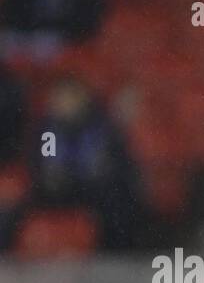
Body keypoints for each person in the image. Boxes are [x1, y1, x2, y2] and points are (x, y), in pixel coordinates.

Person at [26, 75, 146, 249]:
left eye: (68, 97)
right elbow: (46, 166)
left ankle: (114, 255)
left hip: (98, 191)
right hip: (62, 192)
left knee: (117, 203)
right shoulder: (49, 131)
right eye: (58, 98)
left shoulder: (102, 127)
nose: (62, 103)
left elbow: (116, 164)